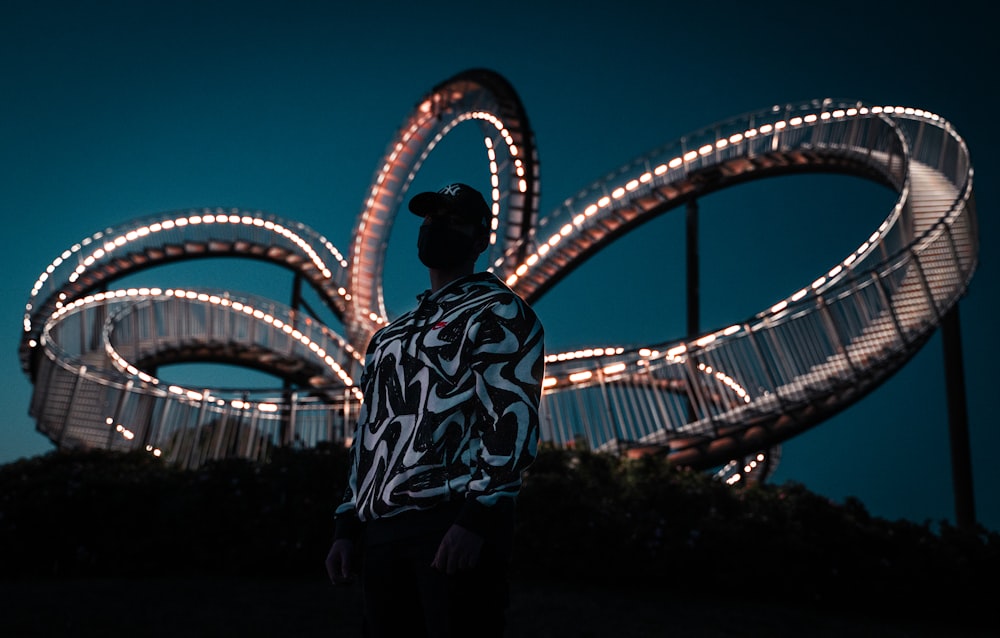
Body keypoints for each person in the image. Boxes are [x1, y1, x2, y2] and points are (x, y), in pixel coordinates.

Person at [325, 182, 545, 637]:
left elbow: (509, 420)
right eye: (430, 218)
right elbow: (370, 430)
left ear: (481, 238)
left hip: (450, 523)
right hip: (381, 532)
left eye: (452, 219)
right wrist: (346, 524)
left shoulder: (501, 311)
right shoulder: (389, 336)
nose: (434, 227)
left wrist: (477, 520)